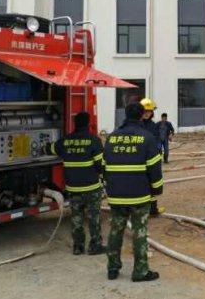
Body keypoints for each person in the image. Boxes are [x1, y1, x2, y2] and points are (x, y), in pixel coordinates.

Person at [104, 102, 164, 282]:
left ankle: (112, 268)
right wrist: (157, 189)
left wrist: (110, 186)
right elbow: (154, 168)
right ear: (141, 115)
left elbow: (104, 166)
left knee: (115, 231)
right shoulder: (146, 137)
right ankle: (140, 271)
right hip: (139, 194)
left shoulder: (112, 137)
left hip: (116, 194)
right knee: (139, 232)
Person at [45, 111, 106, 255]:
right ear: (88, 124)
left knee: (76, 218)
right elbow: (100, 165)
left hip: (73, 188)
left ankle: (78, 247)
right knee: (93, 217)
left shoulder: (65, 141)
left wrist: (43, 147)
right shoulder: (94, 141)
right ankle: (95, 246)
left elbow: (49, 148)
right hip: (91, 187)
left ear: (75, 124)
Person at [140, 97, 164, 215]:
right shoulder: (137, 125)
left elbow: (157, 139)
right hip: (139, 158)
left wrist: (159, 149)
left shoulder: (153, 125)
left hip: (151, 158)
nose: (147, 114)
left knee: (152, 182)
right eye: (145, 111)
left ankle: (153, 209)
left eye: (149, 111)